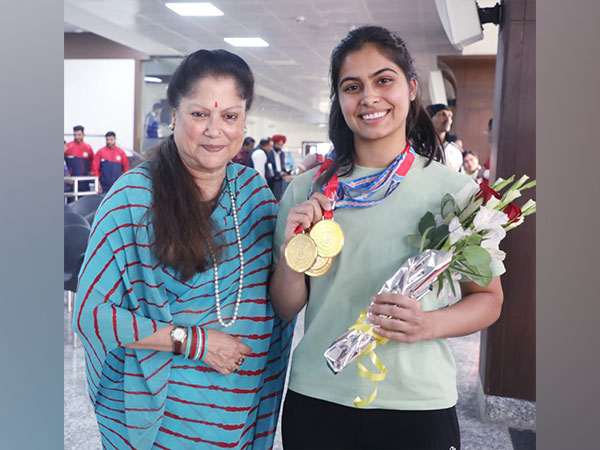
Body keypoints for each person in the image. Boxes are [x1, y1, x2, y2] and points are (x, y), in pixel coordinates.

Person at [269, 25, 504, 450]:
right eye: (352, 86)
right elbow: (286, 307)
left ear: (411, 88)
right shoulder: (306, 191)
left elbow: (489, 300)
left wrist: (427, 324)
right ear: (339, 100)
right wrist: (291, 253)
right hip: (320, 397)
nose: (369, 98)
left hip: (417, 403)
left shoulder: (456, 192)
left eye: (384, 80)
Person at [73, 49, 293, 450]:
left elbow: (278, 299)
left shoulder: (255, 195)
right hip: (167, 416)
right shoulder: (133, 199)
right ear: (173, 115)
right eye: (199, 114)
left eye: (229, 116)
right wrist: (196, 343)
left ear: (244, 122)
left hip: (239, 411)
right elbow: (93, 316)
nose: (215, 130)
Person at [427, 103, 463, 172]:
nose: (448, 119)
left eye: (450, 115)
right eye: (443, 114)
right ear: (431, 118)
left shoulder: (455, 151)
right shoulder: (420, 147)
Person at [65, 125, 95, 192]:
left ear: (83, 135)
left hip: (84, 181)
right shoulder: (68, 146)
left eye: (79, 135)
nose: (77, 137)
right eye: (75, 135)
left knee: (85, 201)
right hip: (71, 182)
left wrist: (91, 172)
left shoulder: (88, 147)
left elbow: (92, 162)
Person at [266, 134, 289, 201]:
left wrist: (286, 172)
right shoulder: (269, 153)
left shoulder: (282, 154)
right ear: (274, 144)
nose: (280, 147)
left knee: (279, 197)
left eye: (281, 145)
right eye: (278, 145)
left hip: (280, 179)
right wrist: (278, 173)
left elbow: (282, 166)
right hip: (272, 179)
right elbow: (269, 169)